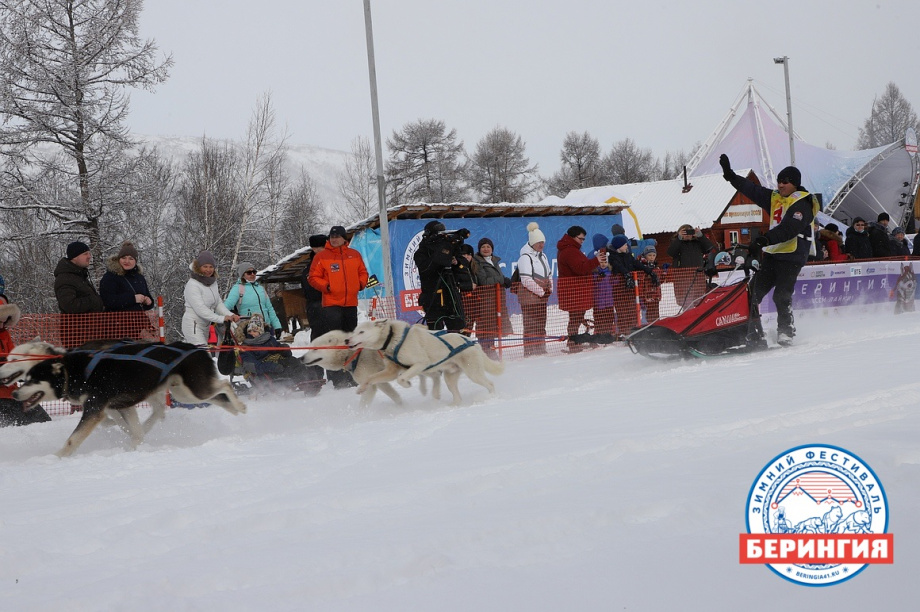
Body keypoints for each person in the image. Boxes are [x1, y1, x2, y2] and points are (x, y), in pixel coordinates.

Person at [720, 155, 819, 346]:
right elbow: (752, 189)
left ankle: (786, 331)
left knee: (781, 295)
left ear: (795, 184)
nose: (780, 186)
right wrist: (731, 175)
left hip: (793, 255)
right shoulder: (775, 198)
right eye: (779, 182)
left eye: (785, 182)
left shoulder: (803, 203)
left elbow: (790, 229)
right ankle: (753, 330)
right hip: (774, 253)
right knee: (751, 293)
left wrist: (764, 239)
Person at [308, 225, 368, 388]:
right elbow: (313, 277)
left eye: (337, 236)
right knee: (335, 341)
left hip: (350, 304)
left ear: (344, 238)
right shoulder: (322, 257)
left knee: (350, 340)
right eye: (331, 237)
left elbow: (363, 272)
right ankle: (338, 378)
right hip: (331, 305)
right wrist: (327, 286)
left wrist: (361, 283)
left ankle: (351, 374)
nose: (334, 239)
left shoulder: (354, 254)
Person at [0, 287, 52, 427]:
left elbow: (13, 358)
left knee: (44, 423)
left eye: (4, 321)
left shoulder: (4, 335)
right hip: (3, 397)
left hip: (11, 393)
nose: (2, 324)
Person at [234, 313, 313, 390]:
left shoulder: (269, 339)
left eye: (254, 331)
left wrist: (285, 350)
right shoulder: (246, 347)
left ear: (261, 331)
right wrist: (271, 366)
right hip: (265, 370)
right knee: (289, 369)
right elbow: (251, 365)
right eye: (250, 331)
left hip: (278, 360)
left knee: (296, 361)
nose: (252, 334)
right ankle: (305, 382)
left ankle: (310, 380)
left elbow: (280, 350)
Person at [557, 225, 605, 350]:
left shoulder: (570, 249)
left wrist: (593, 268)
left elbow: (581, 266)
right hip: (574, 291)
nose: (582, 241)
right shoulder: (570, 251)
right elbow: (580, 268)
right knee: (575, 318)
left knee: (576, 318)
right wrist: (596, 261)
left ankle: (574, 341)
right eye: (580, 239)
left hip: (574, 291)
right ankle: (573, 342)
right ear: (572, 237)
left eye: (583, 239)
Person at [413, 221, 466, 332]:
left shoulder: (447, 248)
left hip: (451, 296)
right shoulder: (421, 252)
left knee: (456, 330)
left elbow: (464, 265)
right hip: (433, 297)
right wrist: (443, 253)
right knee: (436, 333)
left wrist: (455, 262)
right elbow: (427, 268)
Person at [98, 241, 156, 340]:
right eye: (123, 258)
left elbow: (147, 297)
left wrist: (148, 301)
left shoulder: (139, 277)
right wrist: (133, 299)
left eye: (131, 258)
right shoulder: (110, 277)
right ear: (118, 259)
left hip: (137, 328)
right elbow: (108, 301)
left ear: (135, 261)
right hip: (115, 329)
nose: (127, 261)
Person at [182, 250, 239, 346]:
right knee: (202, 356)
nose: (208, 270)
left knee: (201, 356)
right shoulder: (193, 285)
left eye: (211, 267)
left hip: (205, 325)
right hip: (193, 325)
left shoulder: (213, 283)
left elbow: (218, 303)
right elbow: (201, 309)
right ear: (198, 267)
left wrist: (230, 315)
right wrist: (221, 319)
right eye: (205, 267)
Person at [608, 234, 658, 336]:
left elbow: (637, 264)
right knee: (622, 311)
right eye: (625, 245)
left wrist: (650, 272)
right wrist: (626, 275)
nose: (627, 246)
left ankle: (633, 331)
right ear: (619, 246)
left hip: (630, 289)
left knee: (632, 310)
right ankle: (624, 332)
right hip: (619, 289)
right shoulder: (613, 257)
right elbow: (619, 266)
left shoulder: (627, 255)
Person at [516, 222, 552, 356]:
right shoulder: (525, 258)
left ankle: (540, 348)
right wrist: (542, 292)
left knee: (541, 324)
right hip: (529, 299)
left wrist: (550, 288)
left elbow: (549, 273)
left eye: (543, 242)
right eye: (538, 242)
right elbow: (526, 279)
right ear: (532, 243)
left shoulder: (543, 256)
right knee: (531, 325)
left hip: (541, 298)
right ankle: (530, 350)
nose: (541, 245)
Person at [473, 237, 513, 356]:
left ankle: (491, 349)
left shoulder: (494, 261)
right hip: (485, 300)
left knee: (494, 325)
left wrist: (503, 281)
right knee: (485, 326)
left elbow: (495, 277)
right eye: (483, 247)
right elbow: (483, 280)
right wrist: (502, 280)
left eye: (488, 247)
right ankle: (485, 352)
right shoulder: (477, 263)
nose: (486, 249)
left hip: (496, 299)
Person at [224, 261, 283, 334]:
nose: (252, 274)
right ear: (242, 275)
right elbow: (226, 306)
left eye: (254, 272)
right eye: (249, 272)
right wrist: (218, 317)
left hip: (266, 326)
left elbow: (270, 309)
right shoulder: (238, 288)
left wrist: (277, 326)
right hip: (250, 328)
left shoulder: (260, 288)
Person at [299, 234, 328, 381]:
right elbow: (311, 291)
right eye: (322, 247)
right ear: (315, 249)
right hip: (317, 307)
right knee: (318, 340)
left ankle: (338, 372)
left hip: (333, 307)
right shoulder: (309, 269)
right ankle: (316, 375)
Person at [667, 224, 714, 309]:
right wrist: (679, 238)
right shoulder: (677, 242)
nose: (688, 234)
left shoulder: (698, 243)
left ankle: (699, 320)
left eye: (689, 232)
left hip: (698, 277)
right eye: (685, 232)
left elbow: (709, 248)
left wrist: (701, 236)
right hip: (682, 278)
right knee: (686, 302)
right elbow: (671, 252)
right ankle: (688, 319)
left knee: (699, 301)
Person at [54, 241, 104, 315]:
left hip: (87, 325)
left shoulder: (79, 275)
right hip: (76, 325)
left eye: (89, 253)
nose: (89, 256)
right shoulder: (65, 279)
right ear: (74, 257)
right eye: (85, 254)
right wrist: (94, 300)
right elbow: (69, 305)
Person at [590, 234, 616, 343]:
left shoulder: (609, 273)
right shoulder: (595, 273)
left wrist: (614, 277)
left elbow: (615, 282)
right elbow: (593, 283)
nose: (603, 264)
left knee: (609, 318)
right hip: (599, 301)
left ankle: (608, 335)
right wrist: (598, 278)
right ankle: (599, 335)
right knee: (599, 318)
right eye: (601, 262)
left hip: (609, 301)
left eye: (605, 262)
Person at [638, 245, 662, 323]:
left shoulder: (656, 267)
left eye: (653, 255)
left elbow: (660, 281)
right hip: (646, 295)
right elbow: (641, 281)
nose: (652, 257)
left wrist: (664, 272)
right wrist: (641, 295)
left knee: (655, 314)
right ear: (645, 256)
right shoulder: (642, 267)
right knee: (647, 315)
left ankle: (656, 326)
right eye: (649, 255)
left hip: (655, 294)